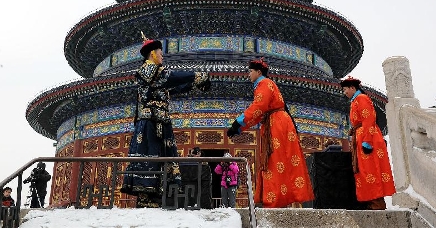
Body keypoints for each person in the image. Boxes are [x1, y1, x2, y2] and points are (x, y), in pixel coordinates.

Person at [121, 32, 211, 208]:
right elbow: (171, 78)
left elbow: (173, 88)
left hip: (161, 124)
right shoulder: (147, 70)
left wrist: (195, 83)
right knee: (150, 157)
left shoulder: (157, 78)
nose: (162, 57)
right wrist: (196, 75)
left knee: (161, 158)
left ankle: (155, 195)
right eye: (161, 53)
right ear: (153, 53)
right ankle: (145, 196)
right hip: (149, 124)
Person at [226, 58, 314, 208]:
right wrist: (239, 128)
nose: (248, 74)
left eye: (250, 71)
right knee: (278, 161)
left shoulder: (264, 83)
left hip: (277, 125)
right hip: (276, 123)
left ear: (258, 72)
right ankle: (280, 198)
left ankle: (276, 199)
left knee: (275, 160)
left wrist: (238, 121)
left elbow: (259, 106)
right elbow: (260, 113)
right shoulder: (266, 84)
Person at [340, 76, 396, 210]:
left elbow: (369, 120)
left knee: (371, 169)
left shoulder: (362, 99)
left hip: (367, 137)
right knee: (365, 170)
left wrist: (367, 141)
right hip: (361, 136)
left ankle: (376, 203)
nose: (344, 93)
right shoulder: (355, 101)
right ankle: (371, 201)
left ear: (353, 88)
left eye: (345, 89)